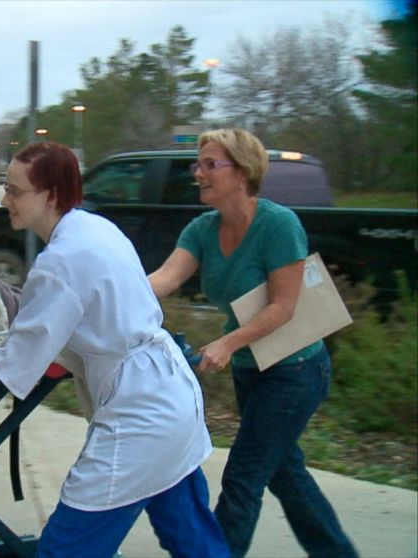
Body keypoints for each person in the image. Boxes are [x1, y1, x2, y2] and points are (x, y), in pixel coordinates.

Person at [0, 141, 229, 557]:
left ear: (49, 194)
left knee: (64, 550)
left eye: (14, 191)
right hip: (173, 400)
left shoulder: (59, 262)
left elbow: (13, 363)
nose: (5, 199)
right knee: (195, 544)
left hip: (139, 419)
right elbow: (92, 319)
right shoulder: (96, 228)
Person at [148, 128, 358, 558]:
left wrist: (226, 343)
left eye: (210, 164)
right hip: (251, 371)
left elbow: (283, 307)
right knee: (285, 472)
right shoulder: (202, 229)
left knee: (243, 478)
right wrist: (113, 293)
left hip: (296, 371)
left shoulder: (279, 225)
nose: (199, 174)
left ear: (242, 173)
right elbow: (164, 279)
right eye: (198, 164)